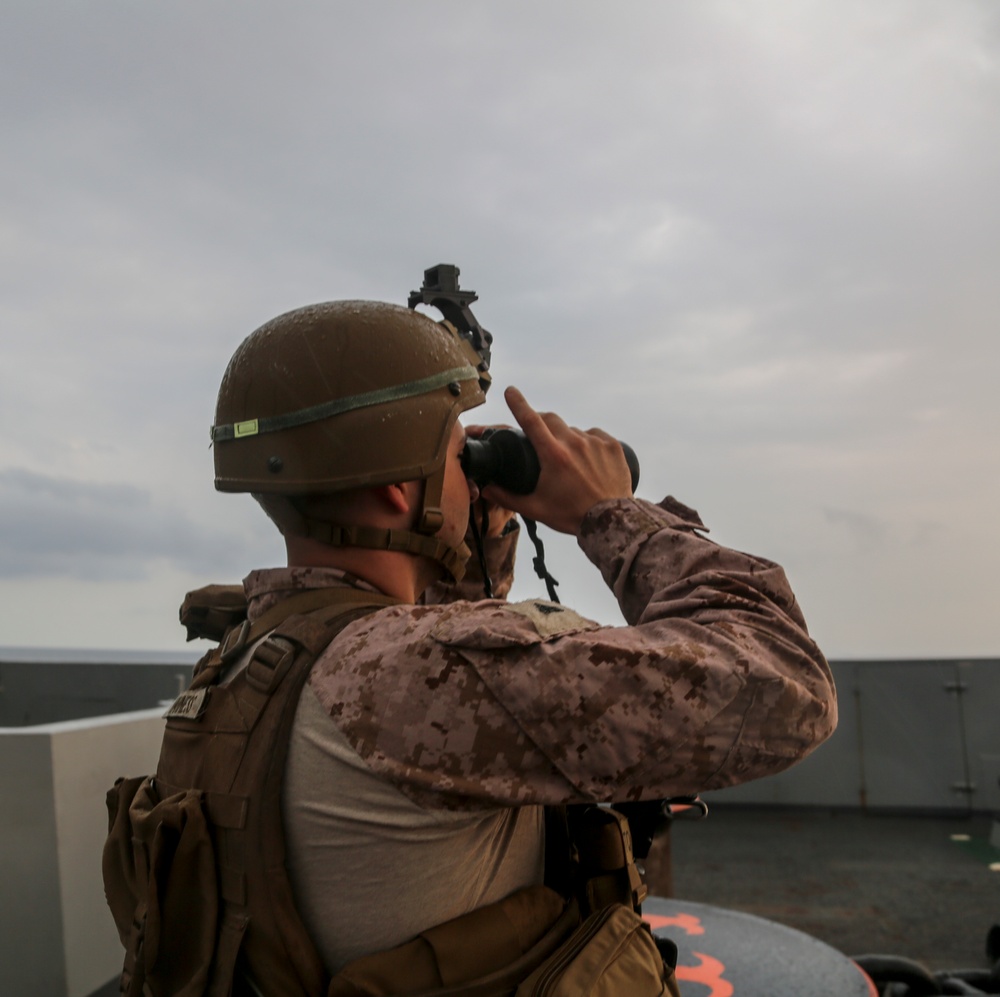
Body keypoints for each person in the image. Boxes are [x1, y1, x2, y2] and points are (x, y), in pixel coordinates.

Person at [107, 298, 837, 996]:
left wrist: (471, 530)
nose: (475, 466)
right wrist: (613, 515)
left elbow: (435, 666)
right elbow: (786, 685)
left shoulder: (253, 653)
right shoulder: (424, 674)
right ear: (400, 491)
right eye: (460, 452)